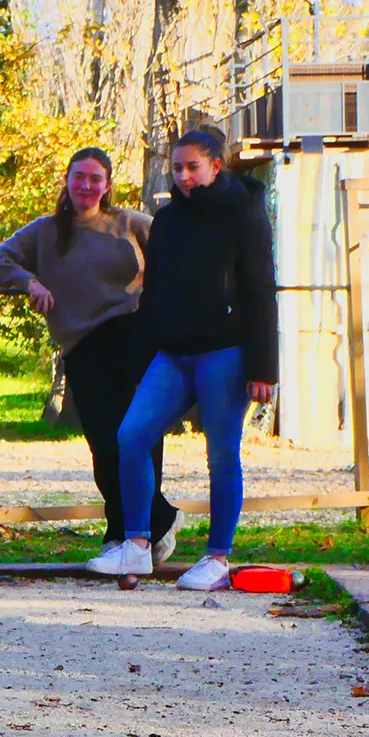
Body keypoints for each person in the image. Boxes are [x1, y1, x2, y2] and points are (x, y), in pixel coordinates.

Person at [0, 147, 182, 572]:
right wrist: (29, 281)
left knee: (140, 438)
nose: (87, 186)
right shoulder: (45, 232)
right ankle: (154, 522)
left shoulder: (129, 224)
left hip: (134, 336)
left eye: (95, 178)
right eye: (79, 177)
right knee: (103, 443)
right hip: (83, 346)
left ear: (107, 185)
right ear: (67, 181)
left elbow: (180, 251)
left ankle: (129, 534)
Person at [107, 130, 278, 589]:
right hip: (173, 353)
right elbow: (155, 292)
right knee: (131, 435)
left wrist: (264, 367)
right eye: (177, 168)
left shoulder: (244, 212)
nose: (183, 176)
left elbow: (261, 289)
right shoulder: (167, 221)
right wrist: (143, 352)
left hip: (226, 352)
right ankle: (138, 545)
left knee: (221, 453)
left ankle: (218, 558)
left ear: (215, 166)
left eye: (192, 167)